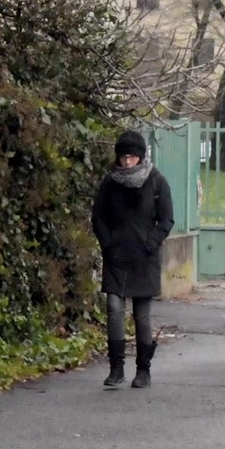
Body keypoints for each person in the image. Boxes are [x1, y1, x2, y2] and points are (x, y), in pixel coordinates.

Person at [91, 131, 174, 389]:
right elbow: (99, 217)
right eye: (123, 157)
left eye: (132, 157)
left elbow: (167, 220)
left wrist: (150, 243)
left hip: (144, 258)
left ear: (141, 157)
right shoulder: (109, 183)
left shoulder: (157, 182)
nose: (127, 162)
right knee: (114, 310)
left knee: (142, 316)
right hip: (116, 256)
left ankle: (143, 370)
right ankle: (116, 369)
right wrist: (108, 243)